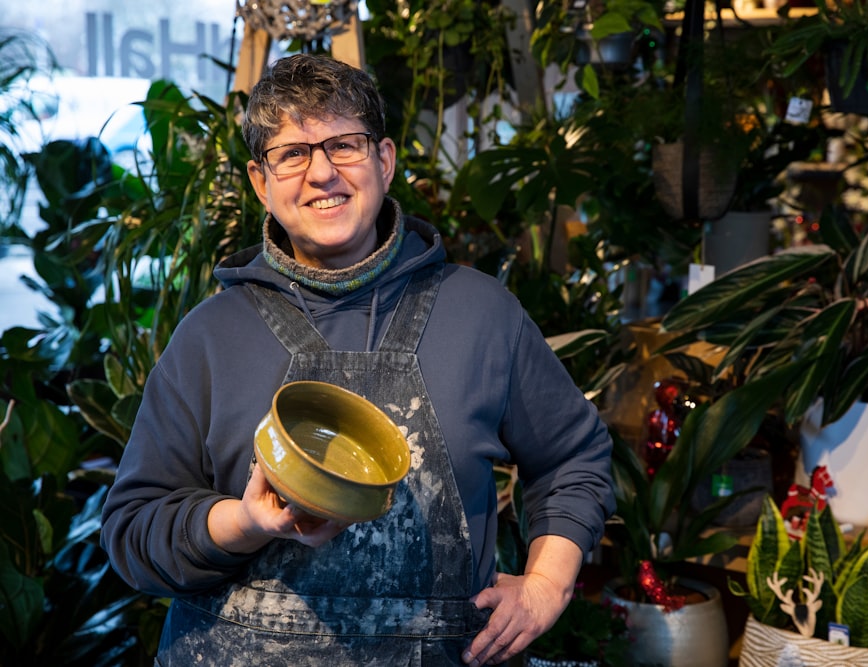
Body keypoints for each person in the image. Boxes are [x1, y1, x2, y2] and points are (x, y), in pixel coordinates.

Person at [100, 53, 615, 666]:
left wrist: (546, 585)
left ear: (385, 161)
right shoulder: (209, 337)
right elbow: (132, 532)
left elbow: (572, 456)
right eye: (292, 153)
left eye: (344, 144)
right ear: (261, 183)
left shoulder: (481, 314)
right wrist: (245, 520)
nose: (321, 173)